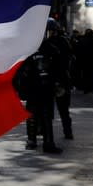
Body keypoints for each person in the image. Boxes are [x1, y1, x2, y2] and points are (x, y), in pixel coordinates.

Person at [17, 19, 65, 154]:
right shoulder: (31, 50)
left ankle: (44, 141)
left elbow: (58, 69)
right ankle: (37, 141)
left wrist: (58, 83)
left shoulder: (49, 49)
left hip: (44, 87)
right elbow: (23, 71)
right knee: (38, 114)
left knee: (44, 115)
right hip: (37, 87)